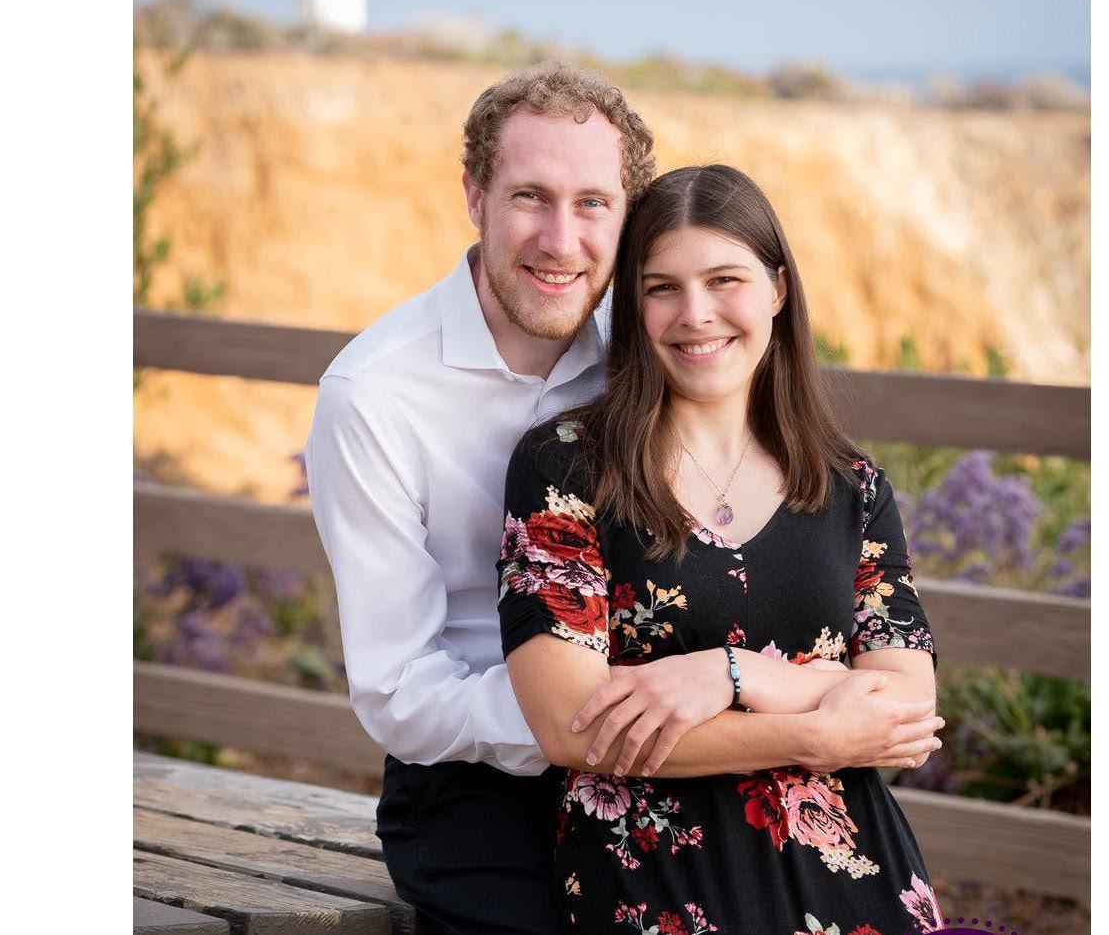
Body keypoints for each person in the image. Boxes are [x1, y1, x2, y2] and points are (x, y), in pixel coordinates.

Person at [309, 68, 940, 935]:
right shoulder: (375, 395)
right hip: (482, 788)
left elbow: (879, 673)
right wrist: (612, 707)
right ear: (474, 196)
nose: (560, 240)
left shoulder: (660, 341)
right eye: (530, 196)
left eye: (593, 204)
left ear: (628, 214)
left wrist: (721, 691)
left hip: (727, 767)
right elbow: (399, 691)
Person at [499, 164, 945, 934]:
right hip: (655, 884)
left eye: (724, 279)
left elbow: (905, 709)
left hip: (859, 881)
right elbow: (569, 726)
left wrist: (728, 673)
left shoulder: (849, 484)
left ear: (776, 288)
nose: (694, 314)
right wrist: (816, 727)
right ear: (631, 307)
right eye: (661, 287)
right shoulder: (566, 466)